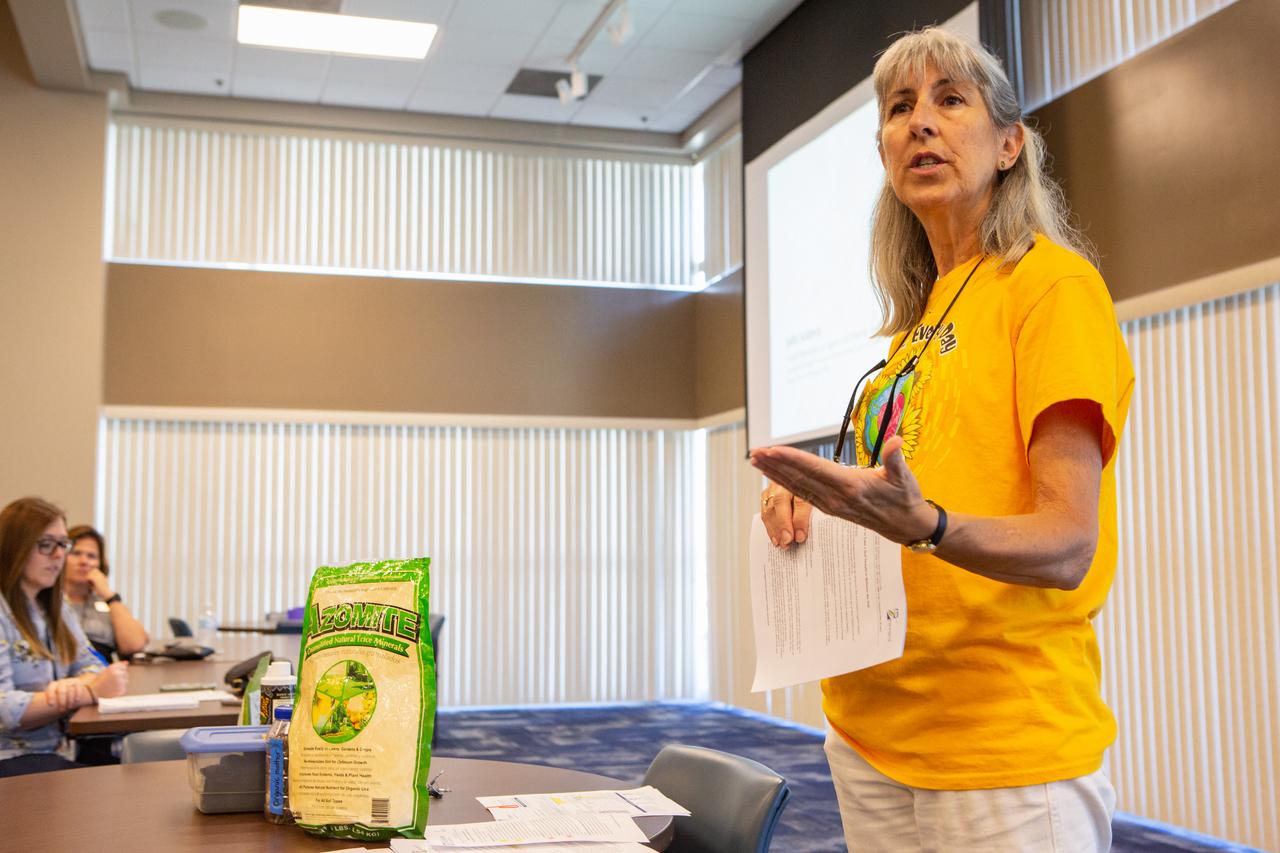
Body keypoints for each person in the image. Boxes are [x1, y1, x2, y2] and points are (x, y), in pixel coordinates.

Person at [751, 27, 1135, 852]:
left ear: (1009, 145)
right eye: (900, 108)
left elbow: (1068, 543)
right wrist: (815, 501)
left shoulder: (1051, 287)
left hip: (1001, 751)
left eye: (950, 100)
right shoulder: (912, 330)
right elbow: (893, 503)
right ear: (884, 152)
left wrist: (928, 526)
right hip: (871, 736)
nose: (920, 121)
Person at [0, 497, 130, 777]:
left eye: (62, 544)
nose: (58, 554)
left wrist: (74, 684)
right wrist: (86, 692)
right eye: (46, 544)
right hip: (10, 759)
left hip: (51, 754)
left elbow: (94, 663)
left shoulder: (56, 607)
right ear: (14, 547)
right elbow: (5, 709)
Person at [63, 525, 148, 660]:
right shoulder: (48, 601)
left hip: (102, 669)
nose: (84, 561)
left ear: (100, 564)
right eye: (76, 553)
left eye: (91, 556)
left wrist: (109, 596)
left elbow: (135, 645)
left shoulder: (108, 604)